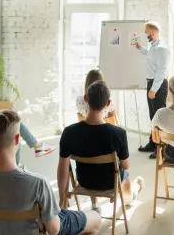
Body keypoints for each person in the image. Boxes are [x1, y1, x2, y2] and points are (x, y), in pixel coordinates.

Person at [58, 81, 143, 214]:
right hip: (111, 184)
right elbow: (126, 166)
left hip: (84, 181)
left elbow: (63, 167)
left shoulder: (69, 132)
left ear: (86, 99)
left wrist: (62, 198)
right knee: (126, 174)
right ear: (108, 104)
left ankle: (95, 205)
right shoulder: (119, 134)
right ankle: (130, 196)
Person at [134, 21, 170, 158]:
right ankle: (153, 143)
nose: (144, 35)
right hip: (152, 83)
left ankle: (161, 148)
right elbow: (150, 54)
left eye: (146, 33)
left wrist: (154, 89)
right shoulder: (154, 47)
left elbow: (161, 71)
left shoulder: (162, 49)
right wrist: (141, 48)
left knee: (159, 117)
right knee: (153, 116)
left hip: (158, 85)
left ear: (152, 33)